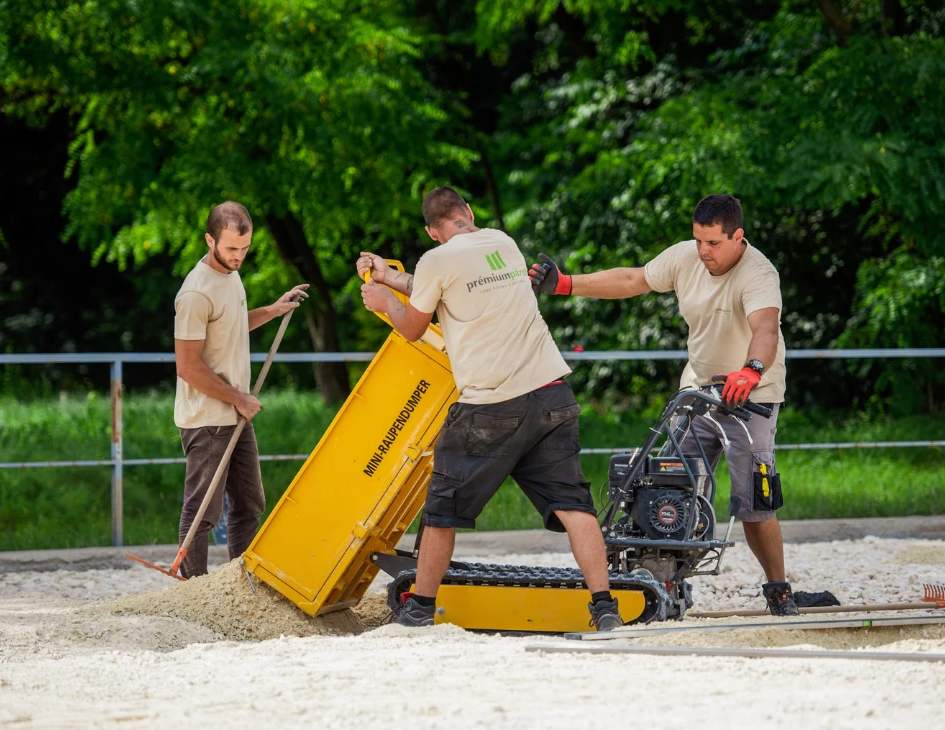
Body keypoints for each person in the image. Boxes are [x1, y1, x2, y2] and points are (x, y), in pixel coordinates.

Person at [356, 186, 623, 629]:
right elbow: (448, 287)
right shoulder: (502, 242)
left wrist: (386, 303)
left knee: (443, 509)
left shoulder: (435, 259)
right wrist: (390, 277)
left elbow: (414, 326)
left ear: (431, 231)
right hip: (550, 393)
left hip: (490, 405)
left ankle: (419, 608)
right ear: (468, 212)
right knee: (573, 505)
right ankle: (605, 607)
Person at [530, 194, 798, 616]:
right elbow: (631, 280)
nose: (703, 252)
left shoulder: (759, 273)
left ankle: (778, 590)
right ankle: (666, 585)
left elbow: (765, 327)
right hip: (699, 390)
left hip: (751, 395)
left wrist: (751, 370)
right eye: (698, 241)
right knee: (669, 490)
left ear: (737, 237)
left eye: (713, 243)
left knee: (754, 504)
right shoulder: (685, 257)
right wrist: (566, 284)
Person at [173, 201, 309, 578]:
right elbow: (187, 366)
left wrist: (273, 310)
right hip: (207, 419)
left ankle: (240, 583)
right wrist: (240, 398)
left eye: (245, 248)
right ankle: (194, 590)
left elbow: (230, 326)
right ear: (210, 240)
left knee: (250, 503)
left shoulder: (231, 276)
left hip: (235, 412)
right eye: (232, 248)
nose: (239, 256)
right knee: (203, 511)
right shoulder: (195, 293)